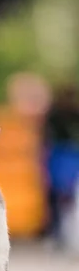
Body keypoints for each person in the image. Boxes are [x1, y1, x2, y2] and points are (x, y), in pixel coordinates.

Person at [43, 84, 79, 246]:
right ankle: (57, 233)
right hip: (59, 154)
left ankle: (64, 234)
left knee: (67, 195)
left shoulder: (71, 114)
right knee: (58, 195)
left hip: (68, 154)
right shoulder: (55, 114)